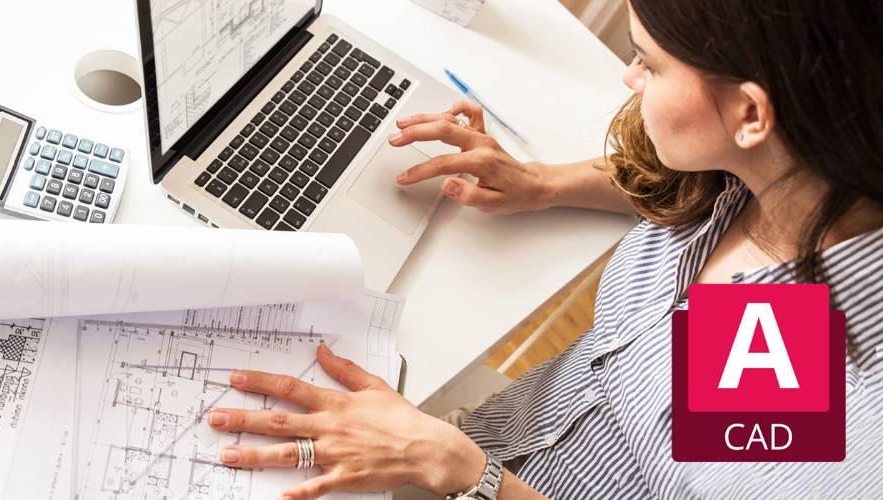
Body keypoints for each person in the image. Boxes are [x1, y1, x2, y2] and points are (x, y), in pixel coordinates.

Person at [204, 0, 883, 498]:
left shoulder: (832, 383)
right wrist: (543, 183)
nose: (629, 79)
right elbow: (691, 177)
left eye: (647, 63)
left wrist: (467, 475)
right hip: (500, 438)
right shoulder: (785, 179)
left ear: (751, 115)